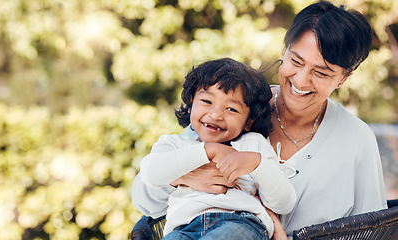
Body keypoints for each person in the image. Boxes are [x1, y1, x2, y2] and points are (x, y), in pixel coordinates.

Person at [132, 1, 387, 239]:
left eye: (321, 72)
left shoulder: (356, 139)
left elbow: (375, 230)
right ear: (284, 50)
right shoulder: (237, 109)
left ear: (344, 77)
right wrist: (184, 176)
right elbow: (146, 199)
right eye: (295, 61)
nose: (300, 80)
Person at [136, 57, 296, 240]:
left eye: (231, 109)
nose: (216, 114)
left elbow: (284, 203)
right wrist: (208, 150)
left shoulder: (253, 145)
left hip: (239, 223)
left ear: (249, 120)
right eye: (206, 101)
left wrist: (257, 164)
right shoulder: (174, 145)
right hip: (182, 229)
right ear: (190, 103)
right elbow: (150, 173)